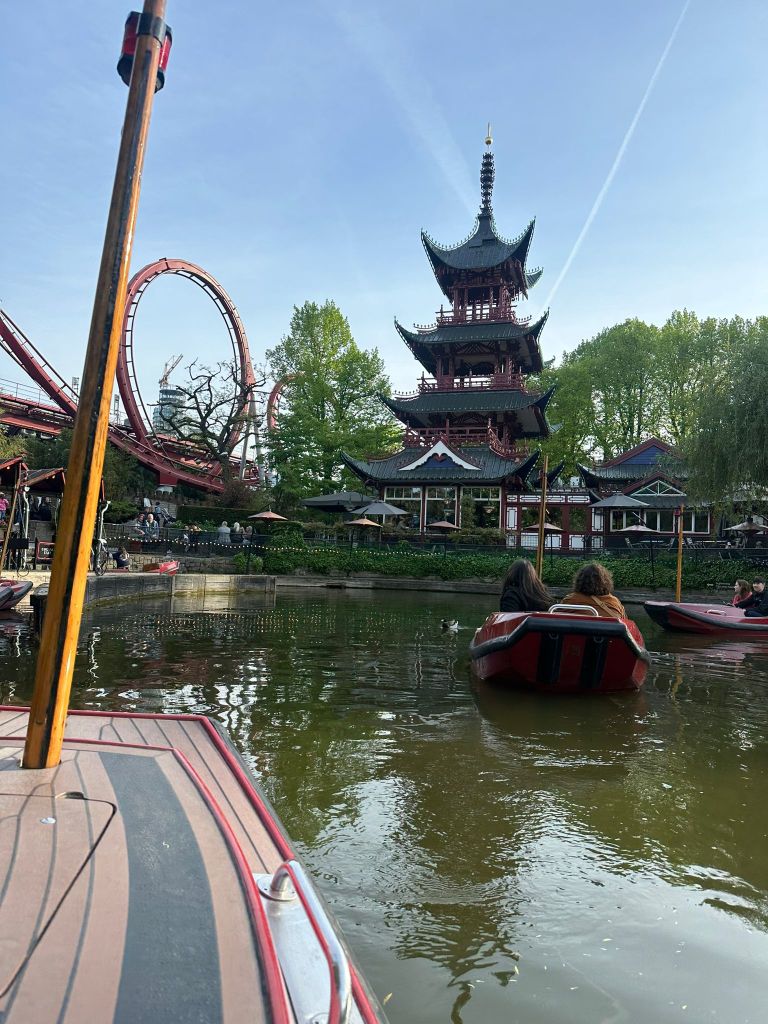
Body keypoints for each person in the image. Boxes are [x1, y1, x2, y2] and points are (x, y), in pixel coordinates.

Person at [562, 562, 626, 619]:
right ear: (606, 582)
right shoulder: (615, 603)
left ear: (580, 581)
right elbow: (625, 624)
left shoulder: (569, 601)